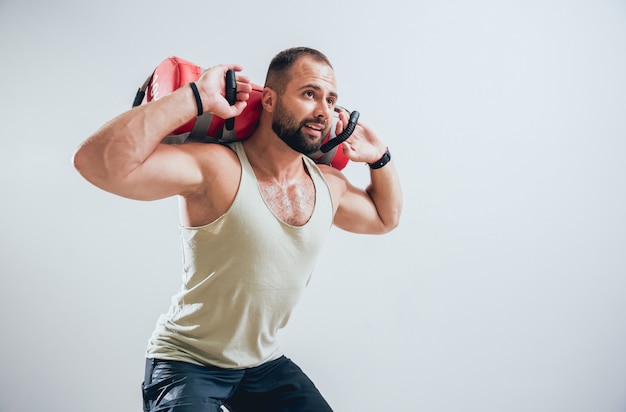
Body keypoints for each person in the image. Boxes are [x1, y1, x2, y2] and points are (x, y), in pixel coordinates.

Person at [73, 47, 402, 412]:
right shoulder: (217, 168)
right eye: (309, 94)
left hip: (262, 365)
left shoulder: (329, 184)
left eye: (331, 99)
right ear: (271, 100)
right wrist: (194, 97)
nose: (323, 110)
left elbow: (385, 218)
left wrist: (380, 158)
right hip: (187, 361)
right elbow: (95, 163)